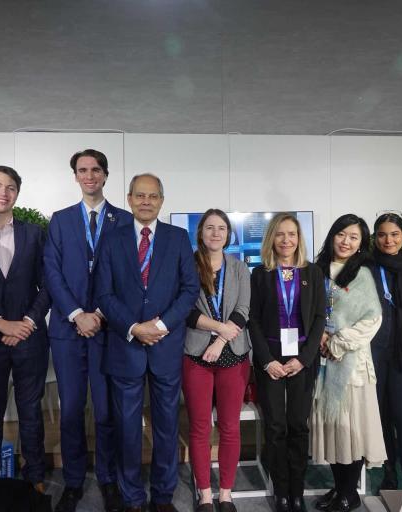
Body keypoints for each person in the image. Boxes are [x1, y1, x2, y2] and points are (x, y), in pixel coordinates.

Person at [96, 173, 199, 512]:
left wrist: (161, 324)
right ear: (128, 198)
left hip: (165, 347)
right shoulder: (111, 240)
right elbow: (104, 293)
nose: (145, 201)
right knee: (127, 428)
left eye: (152, 196)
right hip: (126, 345)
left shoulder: (178, 238)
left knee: (167, 427)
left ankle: (164, 495)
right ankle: (132, 497)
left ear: (161, 201)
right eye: (139, 195)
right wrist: (133, 327)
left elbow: (189, 290)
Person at [44, 149, 132, 512]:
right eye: (83, 170)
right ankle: (75, 480)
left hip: (108, 330)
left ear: (106, 175)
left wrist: (97, 312)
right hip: (68, 331)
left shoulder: (124, 220)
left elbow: (127, 277)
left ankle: (109, 480)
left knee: (107, 412)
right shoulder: (60, 220)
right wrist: (77, 313)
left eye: (96, 169)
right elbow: (52, 271)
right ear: (75, 176)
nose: (89, 175)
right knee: (71, 411)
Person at [0, 166, 51, 492]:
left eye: (11, 187)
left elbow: (48, 285)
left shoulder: (34, 234)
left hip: (30, 338)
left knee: (31, 412)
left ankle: (36, 479)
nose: (4, 192)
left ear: (18, 192)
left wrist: (28, 322)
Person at [248, 213, 326, 512]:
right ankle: (280, 490)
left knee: (298, 425)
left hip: (301, 359)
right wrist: (266, 361)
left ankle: (297, 491)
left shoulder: (313, 273)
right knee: (276, 426)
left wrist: (304, 360)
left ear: (299, 238)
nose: (286, 240)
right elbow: (252, 320)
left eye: (291, 234)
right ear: (271, 238)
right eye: (280, 234)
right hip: (271, 360)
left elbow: (319, 317)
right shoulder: (260, 274)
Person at [311, 214, 386, 512]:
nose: (346, 241)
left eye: (353, 237)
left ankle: (349, 493)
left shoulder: (362, 275)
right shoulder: (316, 271)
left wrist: (338, 343)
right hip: (321, 363)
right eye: (342, 234)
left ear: (361, 244)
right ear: (332, 236)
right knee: (331, 428)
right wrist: (317, 337)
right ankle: (338, 487)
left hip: (352, 364)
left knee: (350, 428)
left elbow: (373, 319)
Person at [183, 209, 251, 512]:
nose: (215, 233)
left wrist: (222, 339)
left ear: (228, 234)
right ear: (201, 233)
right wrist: (216, 330)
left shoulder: (239, 268)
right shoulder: (187, 266)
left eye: (221, 228)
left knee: (229, 427)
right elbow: (185, 310)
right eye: (209, 228)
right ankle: (205, 494)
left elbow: (243, 310)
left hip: (233, 355)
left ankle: (225, 493)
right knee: (199, 428)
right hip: (196, 354)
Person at [369, 213, 402, 489]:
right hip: (375, 349)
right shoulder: (366, 266)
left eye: (393, 234)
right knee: (381, 415)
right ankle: (389, 474)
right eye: (382, 234)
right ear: (375, 237)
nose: (388, 240)